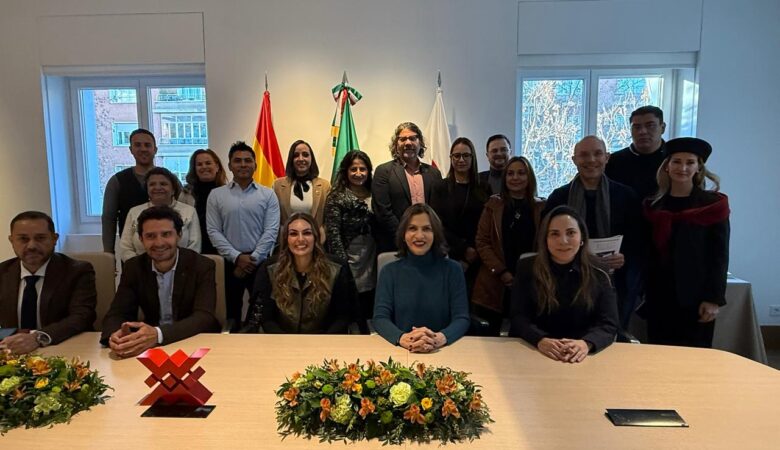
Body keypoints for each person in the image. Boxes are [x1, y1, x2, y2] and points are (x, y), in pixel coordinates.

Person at [544, 135, 641, 328]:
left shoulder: (626, 196)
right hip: (568, 282)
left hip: (615, 282)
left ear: (607, 157)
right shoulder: (559, 197)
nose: (591, 160)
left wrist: (625, 257)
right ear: (574, 160)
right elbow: (546, 238)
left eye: (597, 154)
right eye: (584, 155)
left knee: (610, 333)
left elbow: (639, 240)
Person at [642, 137, 729, 348]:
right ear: (667, 166)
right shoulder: (653, 206)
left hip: (697, 299)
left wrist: (713, 298)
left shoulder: (712, 206)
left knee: (695, 359)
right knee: (658, 355)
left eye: (690, 162)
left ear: (698, 168)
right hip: (659, 296)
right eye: (677, 161)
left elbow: (719, 256)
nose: (683, 168)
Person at [101, 206, 220, 358]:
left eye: (166, 234)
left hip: (194, 344)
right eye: (150, 236)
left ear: (179, 235)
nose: (159, 243)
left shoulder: (202, 265)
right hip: (151, 350)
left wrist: (158, 334)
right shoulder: (134, 267)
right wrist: (115, 336)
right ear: (141, 239)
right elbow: (117, 313)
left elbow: (204, 317)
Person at [509, 206, 619, 362]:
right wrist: (540, 340)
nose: (563, 241)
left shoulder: (600, 270)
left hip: (582, 356)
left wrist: (586, 344)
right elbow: (518, 317)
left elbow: (608, 323)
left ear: (582, 237)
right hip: (536, 351)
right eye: (554, 234)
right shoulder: (527, 267)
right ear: (545, 239)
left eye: (571, 233)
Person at [373, 204, 470, 352]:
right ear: (403, 235)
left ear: (435, 234)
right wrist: (404, 338)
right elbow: (380, 318)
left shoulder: (453, 270)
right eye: (412, 228)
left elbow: (462, 318)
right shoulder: (389, 272)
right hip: (402, 350)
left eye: (426, 229)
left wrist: (438, 339)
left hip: (443, 350)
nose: (419, 236)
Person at [242, 213, 357, 333]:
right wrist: (287, 342)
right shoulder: (270, 268)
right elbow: (266, 318)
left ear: (316, 237)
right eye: (293, 234)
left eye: (307, 233)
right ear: (286, 239)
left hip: (323, 339)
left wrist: (321, 342)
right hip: (281, 339)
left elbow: (343, 317)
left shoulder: (337, 268)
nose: (300, 239)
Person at [0, 211, 96, 353]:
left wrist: (38, 337)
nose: (31, 246)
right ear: (11, 241)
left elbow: (81, 317)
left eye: (40, 238)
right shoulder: (3, 272)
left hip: (63, 350)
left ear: (54, 239)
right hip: (12, 352)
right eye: (23, 239)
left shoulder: (77, 271)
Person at [207, 141, 280, 328]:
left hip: (260, 262)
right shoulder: (216, 195)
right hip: (229, 263)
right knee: (231, 312)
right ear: (230, 165)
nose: (243, 164)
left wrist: (252, 259)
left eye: (248, 160)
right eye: (237, 161)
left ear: (255, 165)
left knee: (261, 312)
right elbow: (214, 231)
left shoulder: (268, 195)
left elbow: (271, 230)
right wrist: (237, 257)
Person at [472, 156, 545, 335]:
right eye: (510, 173)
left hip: (529, 282)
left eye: (521, 173)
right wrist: (502, 272)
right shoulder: (493, 205)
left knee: (523, 339)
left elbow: (545, 244)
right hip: (494, 282)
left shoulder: (542, 207)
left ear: (529, 177)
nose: (515, 177)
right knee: (489, 340)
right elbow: (482, 241)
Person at [324, 150, 377, 331]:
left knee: (368, 305)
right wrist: (342, 265)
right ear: (346, 171)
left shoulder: (375, 193)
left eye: (363, 169)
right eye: (353, 169)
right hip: (349, 258)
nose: (358, 173)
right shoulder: (336, 196)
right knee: (349, 309)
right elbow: (333, 234)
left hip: (371, 257)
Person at [430, 137, 488, 294]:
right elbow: (437, 223)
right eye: (456, 155)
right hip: (448, 253)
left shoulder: (484, 187)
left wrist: (473, 252)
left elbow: (486, 224)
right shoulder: (440, 187)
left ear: (472, 157)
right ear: (451, 158)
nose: (461, 160)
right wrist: (463, 250)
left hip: (478, 256)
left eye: (466, 155)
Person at [372, 122, 442, 251]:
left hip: (428, 244)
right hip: (395, 245)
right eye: (403, 139)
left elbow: (438, 210)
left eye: (413, 138)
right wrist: (405, 237)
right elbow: (383, 212)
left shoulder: (434, 173)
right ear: (396, 145)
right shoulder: (383, 172)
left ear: (420, 143)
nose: (408, 143)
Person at [119, 167, 200, 262]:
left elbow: (194, 246)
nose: (157, 188)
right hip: (141, 269)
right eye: (152, 184)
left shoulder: (189, 211)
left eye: (163, 184)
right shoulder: (134, 212)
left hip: (182, 268)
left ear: (173, 190)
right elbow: (126, 248)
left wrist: (173, 267)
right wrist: (142, 267)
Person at [102, 128, 158, 253]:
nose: (143, 149)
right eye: (138, 145)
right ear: (131, 149)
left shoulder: (169, 179)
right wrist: (108, 253)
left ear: (155, 149)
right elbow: (108, 218)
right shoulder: (117, 181)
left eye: (147, 145)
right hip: (131, 252)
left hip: (164, 249)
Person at [605, 106, 667, 200]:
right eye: (637, 127)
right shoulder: (613, 161)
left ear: (662, 128)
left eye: (650, 126)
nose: (643, 132)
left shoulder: (673, 161)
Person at [273, 140, 331, 230]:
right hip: (287, 237)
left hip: (316, 238)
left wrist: (322, 234)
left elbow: (330, 219)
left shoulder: (325, 186)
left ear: (312, 158)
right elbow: (274, 219)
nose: (301, 159)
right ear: (291, 159)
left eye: (305, 155)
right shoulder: (277, 185)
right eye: (296, 155)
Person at [179, 149, 228, 255]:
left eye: (208, 163)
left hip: (224, 249)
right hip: (195, 249)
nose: (204, 167)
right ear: (194, 169)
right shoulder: (186, 194)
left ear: (217, 167)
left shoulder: (229, 193)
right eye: (199, 164)